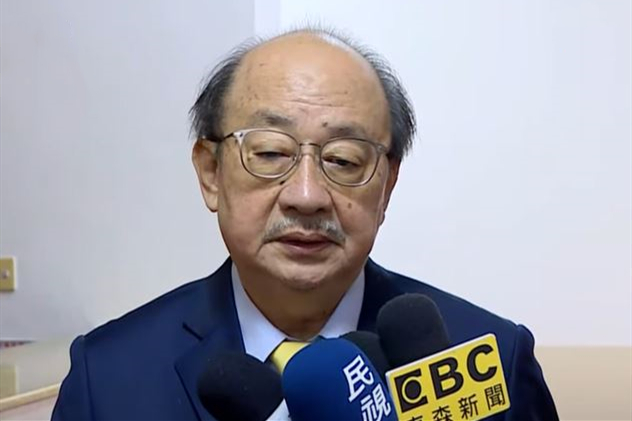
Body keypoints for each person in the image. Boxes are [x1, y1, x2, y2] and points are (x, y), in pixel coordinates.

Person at [52, 27, 558, 420]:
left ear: (387, 186)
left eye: (343, 159)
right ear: (210, 173)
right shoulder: (109, 375)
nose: (307, 196)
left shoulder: (491, 358)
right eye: (271, 153)